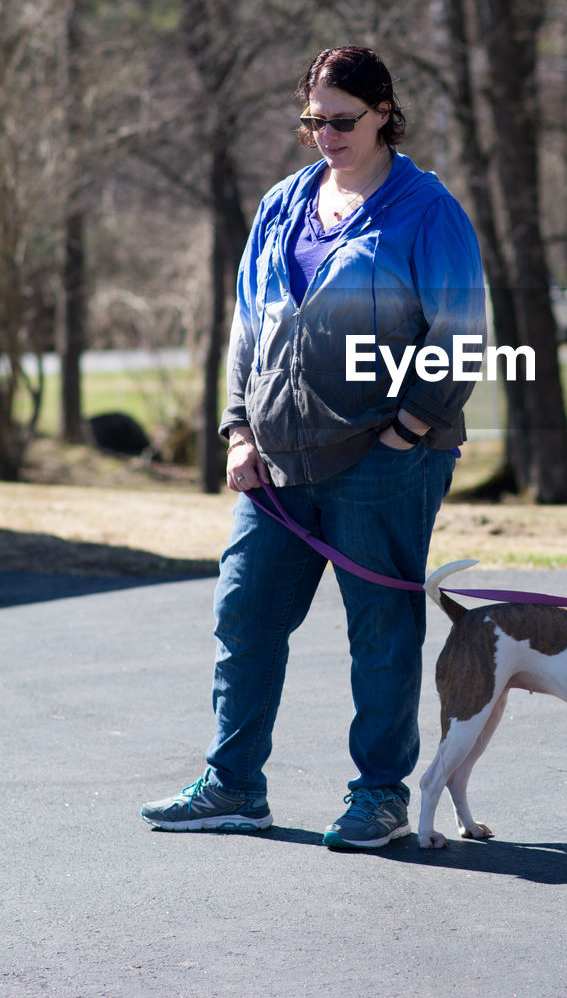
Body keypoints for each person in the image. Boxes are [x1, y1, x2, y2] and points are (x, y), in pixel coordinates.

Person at [141, 46, 485, 849]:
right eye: (313, 121)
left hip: (384, 459)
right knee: (244, 616)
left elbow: (461, 335)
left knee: (381, 630)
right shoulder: (284, 204)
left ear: (383, 114)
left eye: (343, 120)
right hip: (276, 462)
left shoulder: (425, 210)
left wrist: (407, 430)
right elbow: (248, 328)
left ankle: (379, 797)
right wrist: (236, 430)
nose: (326, 135)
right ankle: (232, 786)